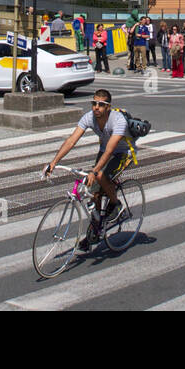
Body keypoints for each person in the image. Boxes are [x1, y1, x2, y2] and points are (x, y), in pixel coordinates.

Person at [43, 89, 133, 252]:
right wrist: (53, 163)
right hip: (105, 149)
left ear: (108, 107)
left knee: (99, 175)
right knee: (94, 192)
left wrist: (94, 171)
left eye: (101, 104)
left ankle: (116, 204)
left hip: (122, 152)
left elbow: (110, 151)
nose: (96, 107)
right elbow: (71, 141)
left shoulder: (118, 120)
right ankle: (96, 229)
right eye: (94, 103)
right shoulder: (89, 118)